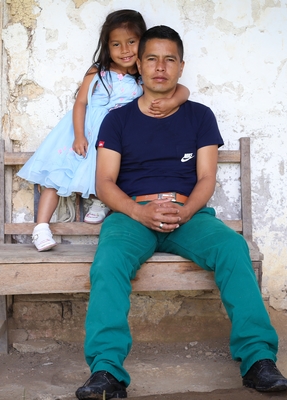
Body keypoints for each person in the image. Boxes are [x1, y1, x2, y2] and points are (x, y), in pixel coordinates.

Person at [74, 26, 287, 399]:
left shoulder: (199, 116)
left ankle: (258, 360)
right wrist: (138, 212)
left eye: (169, 60)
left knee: (232, 248)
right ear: (139, 65)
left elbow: (207, 176)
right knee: (108, 261)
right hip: (132, 215)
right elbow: (105, 182)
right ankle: (106, 372)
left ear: (180, 66)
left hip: (187, 213)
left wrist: (187, 210)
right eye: (152, 59)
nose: (160, 67)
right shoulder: (118, 120)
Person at [16, 9, 189, 251]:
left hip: (112, 136)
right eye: (116, 44)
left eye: (131, 42)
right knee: (56, 176)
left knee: (109, 171)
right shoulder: (98, 71)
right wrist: (78, 135)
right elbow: (81, 103)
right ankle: (41, 227)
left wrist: (172, 102)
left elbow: (182, 90)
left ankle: (100, 204)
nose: (125, 49)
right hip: (82, 131)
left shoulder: (143, 77)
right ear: (107, 46)